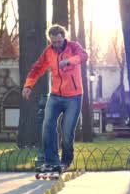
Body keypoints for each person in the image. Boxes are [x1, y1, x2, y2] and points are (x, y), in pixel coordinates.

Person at [22, 24, 88, 172]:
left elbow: (84, 56)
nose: (57, 45)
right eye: (53, 42)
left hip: (74, 97)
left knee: (67, 131)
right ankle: (53, 161)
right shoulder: (49, 52)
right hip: (56, 96)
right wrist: (28, 85)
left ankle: (66, 161)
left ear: (64, 37)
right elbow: (37, 68)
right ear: (50, 40)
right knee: (47, 126)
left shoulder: (73, 46)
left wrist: (69, 61)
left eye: (59, 41)